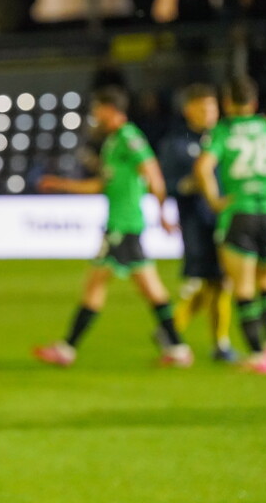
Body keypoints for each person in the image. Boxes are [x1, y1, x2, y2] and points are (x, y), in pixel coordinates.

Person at [34, 86, 194, 368]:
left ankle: (68, 348)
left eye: (98, 109)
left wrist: (163, 212)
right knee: (143, 287)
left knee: (103, 284)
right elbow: (102, 185)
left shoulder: (129, 138)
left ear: (110, 109)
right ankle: (178, 347)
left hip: (124, 225)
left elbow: (152, 172)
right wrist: (61, 184)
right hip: (122, 225)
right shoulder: (112, 143)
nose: (95, 115)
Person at [194, 77, 266, 373]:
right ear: (253, 102)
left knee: (244, 286)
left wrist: (214, 200)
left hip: (239, 214)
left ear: (227, 103)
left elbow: (202, 168)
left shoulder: (222, 131)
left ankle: (255, 353)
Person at [157, 83, 236, 361]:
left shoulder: (226, 137)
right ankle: (184, 332)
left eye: (212, 107)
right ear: (188, 109)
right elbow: (166, 183)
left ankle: (181, 331)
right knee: (213, 279)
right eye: (203, 107)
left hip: (224, 218)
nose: (209, 112)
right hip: (195, 222)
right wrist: (188, 184)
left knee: (221, 280)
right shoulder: (176, 143)